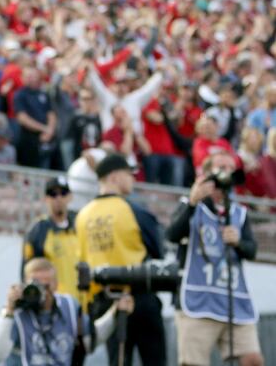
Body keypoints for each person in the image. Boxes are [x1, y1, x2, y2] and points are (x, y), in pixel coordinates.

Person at [166, 151, 263, 366]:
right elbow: (172, 235)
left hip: (233, 299)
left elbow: (252, 251)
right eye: (221, 168)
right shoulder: (190, 205)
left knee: (253, 359)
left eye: (231, 168)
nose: (226, 173)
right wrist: (192, 202)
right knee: (193, 363)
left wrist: (238, 242)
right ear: (206, 174)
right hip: (197, 299)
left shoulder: (239, 213)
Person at [75, 153, 166, 366]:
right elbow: (158, 253)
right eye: (129, 174)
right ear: (114, 177)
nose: (133, 179)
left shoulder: (82, 216)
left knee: (118, 361)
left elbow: (82, 262)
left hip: (106, 300)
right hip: (140, 296)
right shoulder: (136, 212)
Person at [0, 258, 134, 366]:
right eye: (36, 285)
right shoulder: (17, 312)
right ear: (25, 284)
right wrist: (9, 310)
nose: (42, 291)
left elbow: (90, 341)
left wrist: (115, 312)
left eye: (46, 285)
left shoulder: (69, 306)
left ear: (56, 284)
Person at [22, 177, 79, 300]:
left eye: (63, 193)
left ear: (70, 197)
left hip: (81, 301)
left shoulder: (79, 225)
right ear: (46, 198)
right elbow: (27, 271)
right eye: (53, 194)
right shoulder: (38, 230)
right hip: (53, 302)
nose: (58, 198)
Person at [14, 67, 57, 169]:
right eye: (28, 76)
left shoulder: (43, 93)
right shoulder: (20, 95)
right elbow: (22, 118)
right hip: (28, 140)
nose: (31, 79)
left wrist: (50, 130)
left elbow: (51, 113)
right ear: (22, 78)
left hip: (46, 139)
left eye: (33, 76)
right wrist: (44, 129)